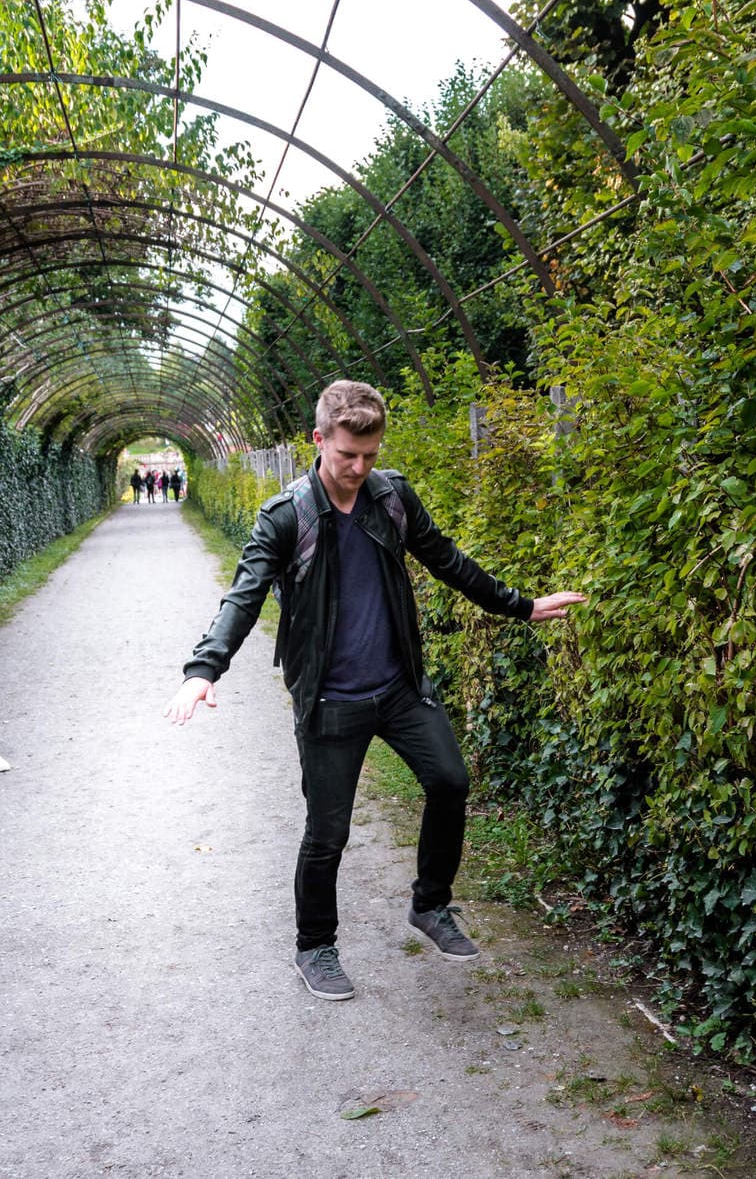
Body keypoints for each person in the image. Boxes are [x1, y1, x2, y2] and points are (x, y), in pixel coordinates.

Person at [163, 380, 586, 1002]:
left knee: (450, 781)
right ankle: (316, 947)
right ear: (319, 441)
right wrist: (203, 670)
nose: (359, 468)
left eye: (369, 454)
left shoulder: (391, 497)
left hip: (398, 686)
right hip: (330, 700)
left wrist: (523, 607)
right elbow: (244, 596)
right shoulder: (287, 516)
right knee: (327, 831)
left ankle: (431, 906)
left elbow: (448, 559)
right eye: (346, 456)